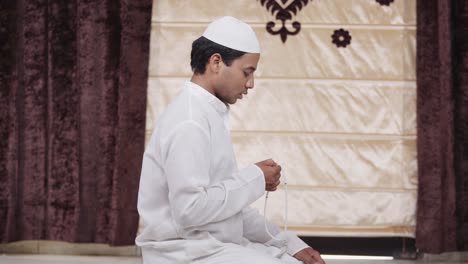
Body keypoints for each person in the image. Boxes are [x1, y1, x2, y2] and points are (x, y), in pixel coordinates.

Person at [135, 16, 325, 264]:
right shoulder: (190, 121)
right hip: (184, 252)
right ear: (216, 62)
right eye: (247, 72)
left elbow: (230, 207)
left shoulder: (207, 113)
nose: (251, 83)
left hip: (213, 246)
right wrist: (255, 178)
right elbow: (189, 210)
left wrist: (287, 242)